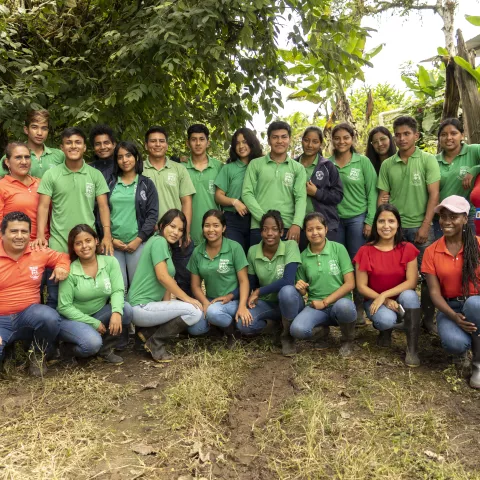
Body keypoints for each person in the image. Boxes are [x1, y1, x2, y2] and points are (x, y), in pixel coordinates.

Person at [35, 127, 113, 309]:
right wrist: (40, 235)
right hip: (58, 243)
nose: (73, 146)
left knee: (85, 291)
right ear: (62, 147)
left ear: (85, 147)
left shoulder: (95, 175)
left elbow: (103, 206)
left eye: (78, 142)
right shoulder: (51, 174)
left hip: (86, 244)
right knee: (55, 294)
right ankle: (53, 336)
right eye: (68, 143)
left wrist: (107, 235)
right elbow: (43, 206)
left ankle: (79, 330)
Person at [377, 115, 441, 335]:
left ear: (416, 135)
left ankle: (427, 319)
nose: (402, 138)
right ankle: (395, 317)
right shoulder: (387, 164)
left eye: (406, 134)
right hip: (394, 231)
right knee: (392, 274)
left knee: (428, 275)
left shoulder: (427, 160)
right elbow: (383, 198)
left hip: (421, 228)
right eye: (398, 134)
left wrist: (425, 226)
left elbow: (434, 195)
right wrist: (383, 226)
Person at [127, 209, 204, 362]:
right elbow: (163, 277)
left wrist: (168, 304)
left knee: (183, 309)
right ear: (162, 225)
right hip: (141, 307)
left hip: (146, 307)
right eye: (172, 226)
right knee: (194, 312)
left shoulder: (163, 244)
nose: (176, 232)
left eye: (180, 230)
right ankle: (155, 342)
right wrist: (187, 298)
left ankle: (147, 334)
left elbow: (166, 284)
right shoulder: (159, 242)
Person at [0, 212, 69, 376]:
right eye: (13, 231)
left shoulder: (38, 252)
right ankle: (6, 351)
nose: (19, 236)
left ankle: (37, 353)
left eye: (24, 232)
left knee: (49, 317)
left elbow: (63, 257)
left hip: (29, 317)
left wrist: (61, 267)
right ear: (2, 234)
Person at [422, 195, 480, 389]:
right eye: (444, 216)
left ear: (465, 218)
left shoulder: (478, 245)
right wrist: (454, 316)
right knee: (454, 343)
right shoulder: (431, 251)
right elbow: (435, 293)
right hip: (450, 307)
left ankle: (478, 364)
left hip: (477, 304)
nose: (447, 221)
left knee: (473, 304)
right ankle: (464, 351)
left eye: (453, 216)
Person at [354, 204, 421, 366]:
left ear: (398, 224)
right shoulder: (365, 251)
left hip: (401, 300)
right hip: (374, 300)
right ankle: (386, 331)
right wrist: (383, 299)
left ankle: (412, 348)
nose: (386, 226)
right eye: (381, 221)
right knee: (385, 320)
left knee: (411, 295)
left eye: (391, 221)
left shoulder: (407, 248)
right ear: (375, 224)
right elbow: (361, 286)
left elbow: (412, 282)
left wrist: (385, 295)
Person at [57, 225, 132, 364]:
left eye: (88, 240)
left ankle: (105, 350)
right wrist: (94, 323)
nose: (84, 246)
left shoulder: (110, 262)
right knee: (91, 344)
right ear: (73, 247)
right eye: (78, 243)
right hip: (72, 320)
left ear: (96, 241)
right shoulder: (71, 270)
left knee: (125, 310)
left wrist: (116, 312)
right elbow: (64, 307)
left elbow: (117, 290)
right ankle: (67, 350)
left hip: (98, 313)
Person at [329, 123, 377, 326]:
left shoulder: (362, 162)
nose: (341, 141)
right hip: (334, 220)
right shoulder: (327, 163)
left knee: (358, 263)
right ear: (332, 140)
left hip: (358, 217)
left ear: (352, 138)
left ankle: (358, 307)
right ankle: (340, 306)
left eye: (346, 137)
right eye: (337, 138)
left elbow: (373, 193)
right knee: (339, 264)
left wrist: (369, 220)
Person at [290, 212, 356, 356]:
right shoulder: (303, 257)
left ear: (326, 229)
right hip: (316, 307)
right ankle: (321, 332)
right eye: (310, 229)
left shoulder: (338, 249)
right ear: (305, 232)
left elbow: (350, 283)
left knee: (345, 307)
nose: (315, 233)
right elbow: (304, 292)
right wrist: (300, 288)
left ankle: (347, 340)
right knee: (297, 330)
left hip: (339, 303)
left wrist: (325, 302)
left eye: (318, 228)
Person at [143, 126, 196, 296]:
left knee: (183, 279)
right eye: (153, 141)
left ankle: (188, 318)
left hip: (176, 234)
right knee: (153, 280)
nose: (157, 144)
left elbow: (186, 201)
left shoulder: (179, 169)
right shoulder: (138, 169)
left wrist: (185, 232)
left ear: (166, 145)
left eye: (161, 141)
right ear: (146, 145)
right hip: (148, 234)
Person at [244, 210, 303, 356]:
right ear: (261, 232)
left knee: (287, 291)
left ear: (282, 232)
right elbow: (250, 283)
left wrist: (258, 292)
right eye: (265, 229)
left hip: (291, 302)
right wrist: (242, 302)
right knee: (244, 325)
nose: (269, 233)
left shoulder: (290, 246)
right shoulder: (252, 251)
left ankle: (288, 336)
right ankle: (274, 325)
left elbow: (288, 280)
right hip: (268, 304)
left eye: (274, 229)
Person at [187, 210, 252, 344]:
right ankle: (218, 327)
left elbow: (244, 281)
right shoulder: (197, 251)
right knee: (195, 328)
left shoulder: (235, 248)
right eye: (207, 225)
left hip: (232, 301)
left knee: (214, 313)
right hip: (211, 300)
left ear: (224, 228)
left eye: (216, 225)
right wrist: (205, 302)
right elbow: (195, 285)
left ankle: (233, 333)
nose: (211, 230)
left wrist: (242, 306)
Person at [242, 121, 307, 247]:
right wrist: (265, 221)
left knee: (288, 265)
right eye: (275, 137)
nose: (279, 141)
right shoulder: (255, 164)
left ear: (289, 140)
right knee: (259, 265)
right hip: (260, 227)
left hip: (288, 227)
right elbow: (247, 193)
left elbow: (301, 198)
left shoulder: (298, 168)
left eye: (284, 137)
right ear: (269, 140)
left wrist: (297, 224)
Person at [108, 141, 158, 289]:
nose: (125, 160)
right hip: (113, 244)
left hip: (138, 243)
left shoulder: (146, 184)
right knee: (119, 287)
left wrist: (139, 239)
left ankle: (137, 313)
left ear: (136, 157)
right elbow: (100, 212)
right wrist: (110, 239)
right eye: (120, 157)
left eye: (128, 155)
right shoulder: (110, 182)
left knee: (137, 287)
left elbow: (152, 215)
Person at [214, 128, 263, 253]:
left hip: (256, 219)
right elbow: (218, 196)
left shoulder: (261, 166)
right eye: (237, 143)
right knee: (236, 256)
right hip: (233, 221)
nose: (241, 146)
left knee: (255, 258)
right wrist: (234, 202)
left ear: (252, 143)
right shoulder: (229, 169)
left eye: (245, 142)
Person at [296, 126, 343, 247]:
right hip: (299, 226)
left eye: (315, 141)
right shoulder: (292, 165)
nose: (310, 145)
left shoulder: (328, 166)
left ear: (320, 144)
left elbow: (338, 195)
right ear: (302, 140)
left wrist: (317, 192)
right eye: (306, 140)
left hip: (324, 224)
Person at [434, 118, 480, 239]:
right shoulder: (433, 161)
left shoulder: (474, 150)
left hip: (468, 215)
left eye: (453, 133)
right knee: (444, 254)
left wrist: (475, 169)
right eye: (444, 134)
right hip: (442, 218)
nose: (449, 137)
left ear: (462, 135)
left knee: (471, 252)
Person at [0, 142, 48, 240]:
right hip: (16, 245)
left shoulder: (40, 183)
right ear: (7, 162)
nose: (24, 162)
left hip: (44, 244)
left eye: (27, 157)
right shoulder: (2, 186)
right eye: (18, 157)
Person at [185, 124, 223, 246]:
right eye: (193, 139)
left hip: (214, 232)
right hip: (188, 233)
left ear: (208, 143)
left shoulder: (219, 167)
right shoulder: (180, 168)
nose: (198, 143)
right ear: (187, 143)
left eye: (201, 139)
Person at [0, 109, 65, 178]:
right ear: (26, 130)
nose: (39, 133)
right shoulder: (13, 155)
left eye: (44, 128)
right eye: (34, 127)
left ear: (48, 131)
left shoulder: (59, 155)